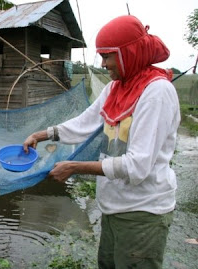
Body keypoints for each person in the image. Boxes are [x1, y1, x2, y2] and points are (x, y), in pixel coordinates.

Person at [23, 15, 180, 268]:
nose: (103, 63)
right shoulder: (115, 88)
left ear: (128, 53)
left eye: (108, 55)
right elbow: (85, 123)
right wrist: (42, 135)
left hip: (142, 212)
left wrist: (75, 167)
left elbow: (137, 167)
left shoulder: (156, 93)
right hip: (113, 207)